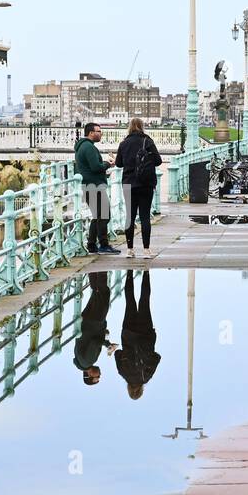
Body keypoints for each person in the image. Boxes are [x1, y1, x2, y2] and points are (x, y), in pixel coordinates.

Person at [114, 118, 162, 260]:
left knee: (130, 216)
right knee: (145, 217)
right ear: (142, 127)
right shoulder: (147, 141)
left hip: (129, 183)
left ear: (129, 127)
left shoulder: (124, 143)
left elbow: (118, 164)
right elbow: (158, 161)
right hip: (146, 183)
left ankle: (130, 250)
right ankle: (146, 250)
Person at [115, 271, 159, 400]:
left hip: (146, 334)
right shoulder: (123, 373)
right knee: (130, 301)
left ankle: (146, 273)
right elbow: (118, 353)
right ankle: (129, 273)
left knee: (144, 301)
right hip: (128, 333)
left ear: (141, 390)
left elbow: (157, 357)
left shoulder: (147, 376)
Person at [74, 122, 117, 255]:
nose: (100, 133)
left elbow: (92, 167)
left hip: (89, 185)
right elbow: (95, 167)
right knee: (104, 215)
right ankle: (103, 245)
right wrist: (108, 164)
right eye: (98, 131)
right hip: (94, 186)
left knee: (98, 216)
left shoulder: (84, 146)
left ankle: (92, 245)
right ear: (91, 133)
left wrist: (103, 168)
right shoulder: (88, 147)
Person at [73, 271, 115, 385]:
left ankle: (102, 267)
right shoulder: (80, 361)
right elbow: (93, 340)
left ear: (89, 375)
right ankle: (92, 269)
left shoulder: (88, 361)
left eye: (97, 377)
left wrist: (108, 346)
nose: (99, 375)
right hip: (86, 322)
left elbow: (94, 343)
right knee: (96, 293)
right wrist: (107, 340)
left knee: (103, 293)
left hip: (94, 322)